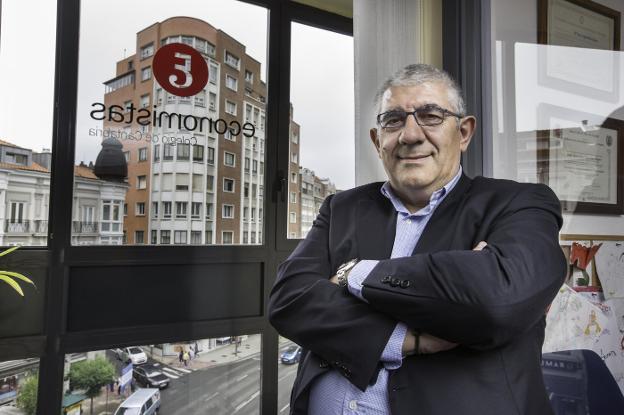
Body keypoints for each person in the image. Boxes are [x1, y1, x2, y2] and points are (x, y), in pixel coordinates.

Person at [268, 64, 567, 415]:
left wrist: (354, 275)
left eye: (430, 115)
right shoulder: (342, 207)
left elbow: (495, 301)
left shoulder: (519, 204)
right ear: (377, 140)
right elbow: (288, 300)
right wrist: (411, 339)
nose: (410, 134)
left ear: (465, 132)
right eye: (393, 120)